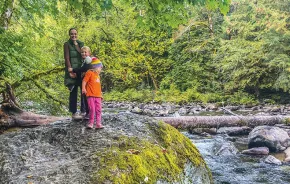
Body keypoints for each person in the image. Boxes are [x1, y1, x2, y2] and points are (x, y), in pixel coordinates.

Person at [63, 28, 86, 120]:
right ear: (69, 35)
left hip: (80, 70)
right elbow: (67, 58)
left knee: (83, 90)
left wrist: (85, 69)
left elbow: (84, 55)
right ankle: (73, 112)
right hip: (72, 69)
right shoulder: (67, 44)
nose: (74, 35)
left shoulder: (81, 44)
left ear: (77, 34)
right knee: (73, 91)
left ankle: (83, 111)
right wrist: (70, 70)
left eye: (75, 34)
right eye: (72, 34)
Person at [82, 58, 104, 129]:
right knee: (92, 109)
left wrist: (101, 94)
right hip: (90, 95)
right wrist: (83, 88)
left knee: (99, 109)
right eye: (100, 67)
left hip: (98, 96)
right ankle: (91, 123)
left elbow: (98, 86)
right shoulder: (89, 73)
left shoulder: (98, 75)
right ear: (95, 67)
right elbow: (84, 81)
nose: (100, 69)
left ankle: (98, 123)